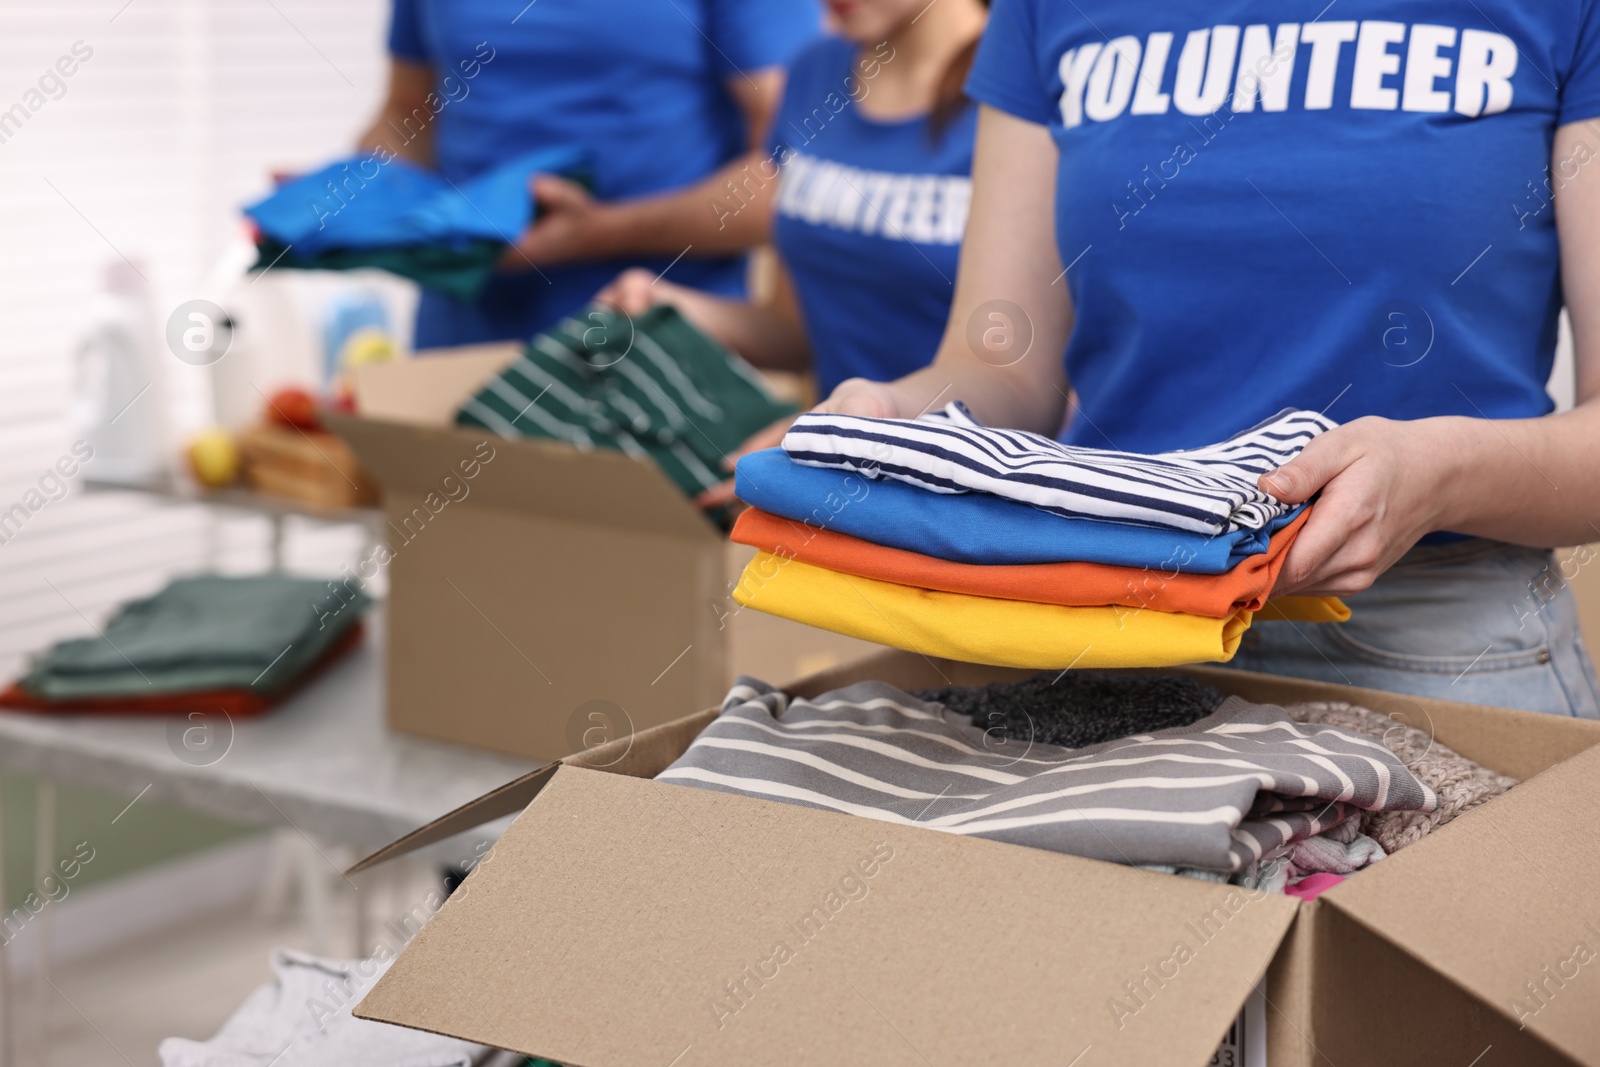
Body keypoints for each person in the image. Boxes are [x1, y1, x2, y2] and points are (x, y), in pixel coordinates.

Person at [805, 5, 1600, 717]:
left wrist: (1444, 473)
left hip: (1433, 638)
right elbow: (1008, 369)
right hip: (1109, 614)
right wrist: (903, 414)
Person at [602, 0, 989, 508]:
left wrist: (866, 432)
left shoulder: (1024, 97)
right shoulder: (816, 72)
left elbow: (1047, 381)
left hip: (976, 500)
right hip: (839, 491)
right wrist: (674, 309)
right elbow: (796, 330)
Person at [358, 0, 819, 348]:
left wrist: (599, 231)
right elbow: (408, 115)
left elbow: (798, 176)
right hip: (454, 346)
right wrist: (350, 196)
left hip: (652, 350)